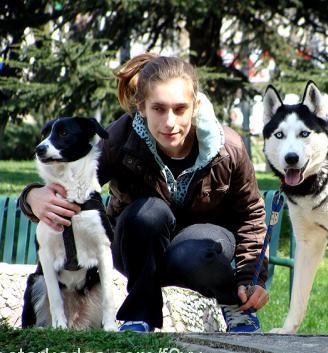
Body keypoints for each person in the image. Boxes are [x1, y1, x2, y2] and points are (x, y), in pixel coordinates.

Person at [19, 52, 269, 333]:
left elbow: (251, 216)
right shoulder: (119, 138)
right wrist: (32, 196)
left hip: (200, 250)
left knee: (191, 252)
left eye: (180, 109)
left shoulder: (229, 148)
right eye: (159, 109)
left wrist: (251, 279)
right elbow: (73, 183)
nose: (170, 122)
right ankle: (139, 316)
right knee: (147, 213)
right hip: (136, 245)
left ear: (195, 106)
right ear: (141, 107)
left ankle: (236, 306)